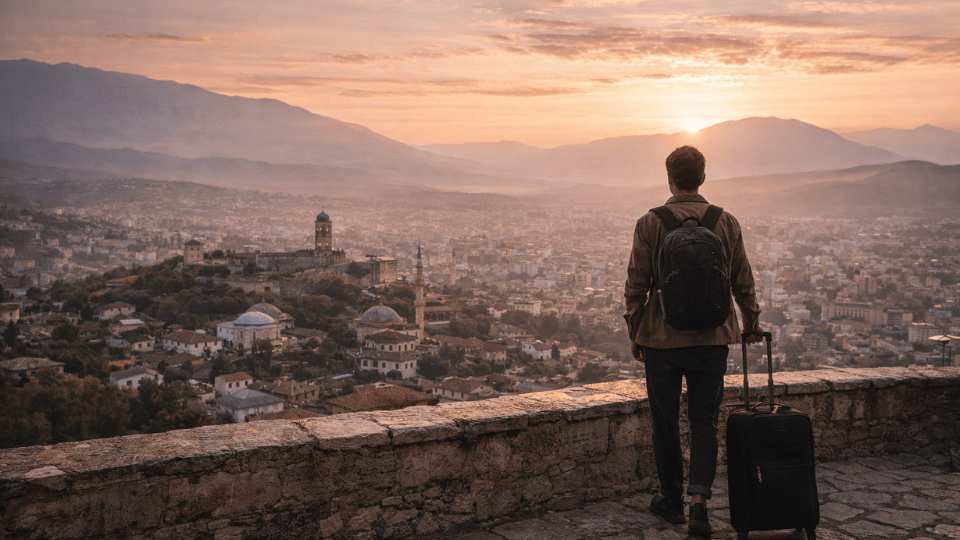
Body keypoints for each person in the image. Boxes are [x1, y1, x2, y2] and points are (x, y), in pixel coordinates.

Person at [623, 145, 762, 537]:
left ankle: (670, 500)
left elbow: (635, 287)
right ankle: (699, 502)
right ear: (702, 177)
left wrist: (636, 333)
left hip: (662, 342)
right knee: (704, 422)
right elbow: (742, 280)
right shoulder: (726, 221)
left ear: (670, 178)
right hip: (712, 339)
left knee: (664, 424)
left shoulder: (650, 223)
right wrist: (750, 322)